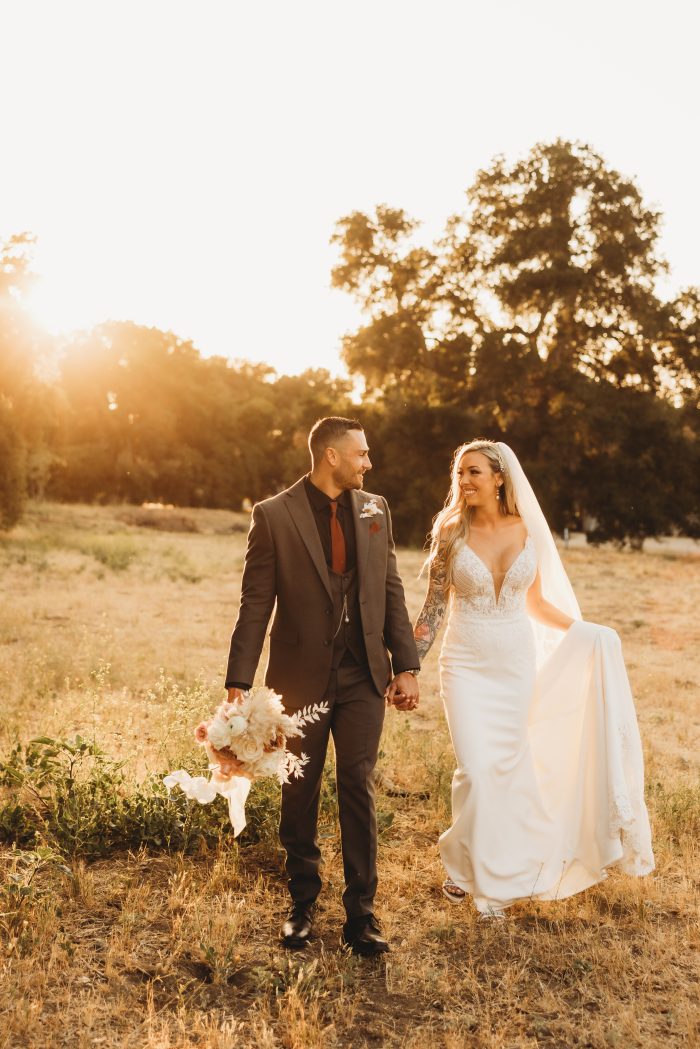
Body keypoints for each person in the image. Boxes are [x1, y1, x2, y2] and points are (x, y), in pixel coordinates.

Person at [414, 439, 654, 918]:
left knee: (505, 771)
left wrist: (588, 631)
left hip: (514, 665)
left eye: (474, 472)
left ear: (499, 478)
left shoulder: (526, 530)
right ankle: (468, 865)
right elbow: (434, 608)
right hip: (465, 664)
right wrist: (406, 664)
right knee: (478, 771)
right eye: (459, 472)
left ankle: (479, 874)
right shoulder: (450, 531)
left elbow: (537, 604)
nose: (463, 481)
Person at [225, 417, 420, 953]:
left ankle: (362, 914)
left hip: (363, 673)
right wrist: (238, 681)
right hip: (299, 678)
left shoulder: (376, 509)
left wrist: (406, 665)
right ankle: (302, 904)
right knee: (300, 785)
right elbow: (255, 604)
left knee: (357, 782)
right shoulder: (273, 515)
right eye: (361, 453)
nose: (368, 462)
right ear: (331, 456)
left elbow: (391, 588)